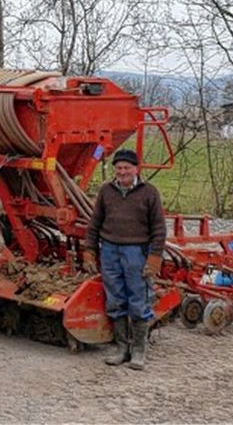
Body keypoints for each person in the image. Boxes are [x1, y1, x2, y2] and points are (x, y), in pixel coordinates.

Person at [82, 148, 166, 371]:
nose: (122, 172)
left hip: (136, 253)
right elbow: (95, 223)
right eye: (118, 168)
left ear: (136, 169)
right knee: (116, 300)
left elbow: (159, 229)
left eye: (126, 168)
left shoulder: (149, 193)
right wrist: (89, 250)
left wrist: (154, 257)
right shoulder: (106, 192)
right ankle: (121, 348)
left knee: (138, 300)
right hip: (109, 251)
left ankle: (139, 350)